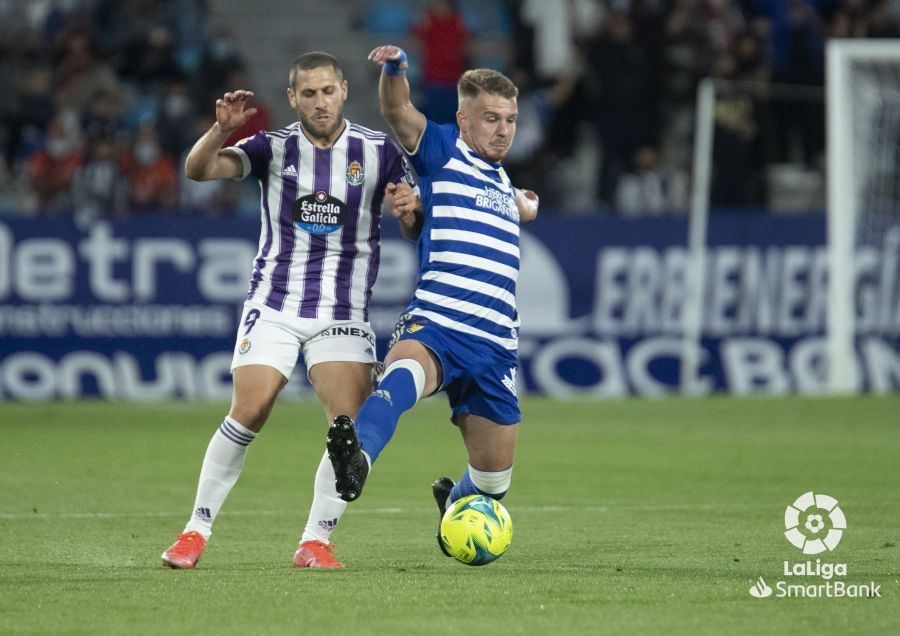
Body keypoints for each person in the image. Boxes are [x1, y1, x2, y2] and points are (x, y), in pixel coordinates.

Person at [161, 51, 416, 569]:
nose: (319, 102)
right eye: (309, 93)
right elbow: (198, 169)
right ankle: (195, 531)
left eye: (327, 91)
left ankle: (315, 541)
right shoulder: (271, 148)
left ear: (344, 90)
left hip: (343, 311)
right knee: (250, 408)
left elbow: (412, 223)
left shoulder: (378, 151)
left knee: (347, 428)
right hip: (275, 303)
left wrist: (410, 212)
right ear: (292, 97)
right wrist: (219, 130)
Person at [326, 44, 539, 558]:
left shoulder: (503, 181)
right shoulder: (444, 150)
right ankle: (359, 458)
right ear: (463, 120)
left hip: (494, 345)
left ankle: (455, 502)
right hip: (439, 321)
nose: (503, 129)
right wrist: (397, 70)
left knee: (492, 485)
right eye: (491, 118)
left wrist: (523, 205)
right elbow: (398, 112)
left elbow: (510, 207)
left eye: (510, 119)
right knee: (405, 373)